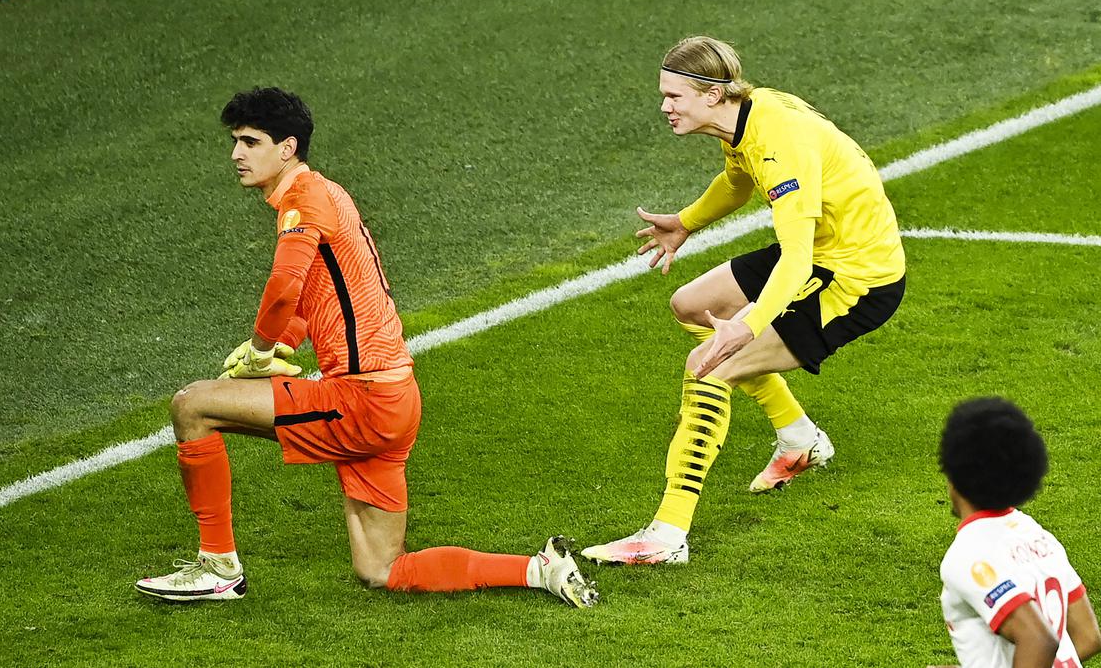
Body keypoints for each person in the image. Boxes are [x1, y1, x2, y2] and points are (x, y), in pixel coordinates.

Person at [135, 87, 598, 608]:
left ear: (287, 148)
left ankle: (217, 568)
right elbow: (312, 298)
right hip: (397, 400)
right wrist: (279, 343)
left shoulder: (303, 200)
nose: (236, 154)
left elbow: (286, 285)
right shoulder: (328, 193)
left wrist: (262, 349)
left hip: (362, 401)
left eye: (250, 141)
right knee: (380, 569)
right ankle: (541, 571)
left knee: (192, 405)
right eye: (235, 142)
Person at [583, 35, 906, 565]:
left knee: (707, 367)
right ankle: (800, 438)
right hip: (826, 252)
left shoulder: (780, 145)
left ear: (712, 94)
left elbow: (796, 260)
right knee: (690, 305)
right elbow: (736, 182)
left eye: (674, 96)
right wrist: (685, 222)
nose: (664, 107)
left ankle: (666, 537)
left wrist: (749, 324)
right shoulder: (745, 118)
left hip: (856, 279)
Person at [935, 397, 1100, 668]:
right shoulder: (1039, 537)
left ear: (953, 475)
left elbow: (1039, 640)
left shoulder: (967, 555)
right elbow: (1087, 637)